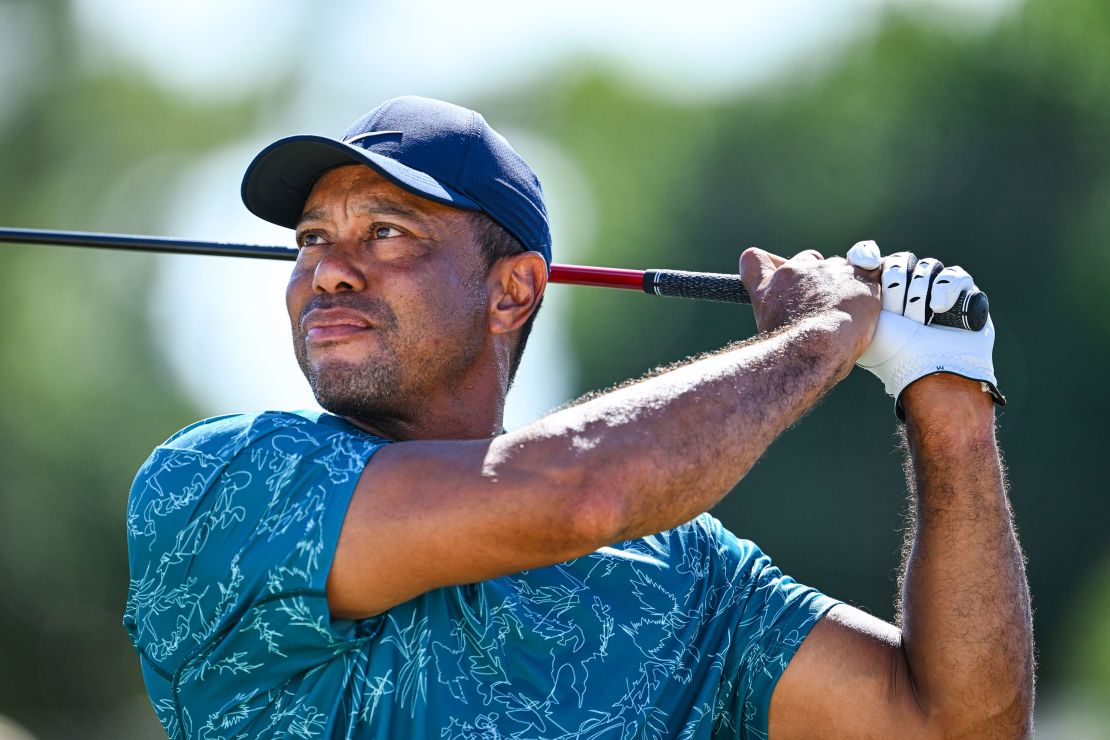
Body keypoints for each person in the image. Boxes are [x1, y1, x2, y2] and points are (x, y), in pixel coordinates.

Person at [124, 96, 1033, 739]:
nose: (329, 270)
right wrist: (820, 336)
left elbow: (960, 726)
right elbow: (579, 495)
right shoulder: (219, 485)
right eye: (313, 240)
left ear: (512, 292)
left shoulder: (682, 569)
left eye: (387, 232)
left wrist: (946, 399)